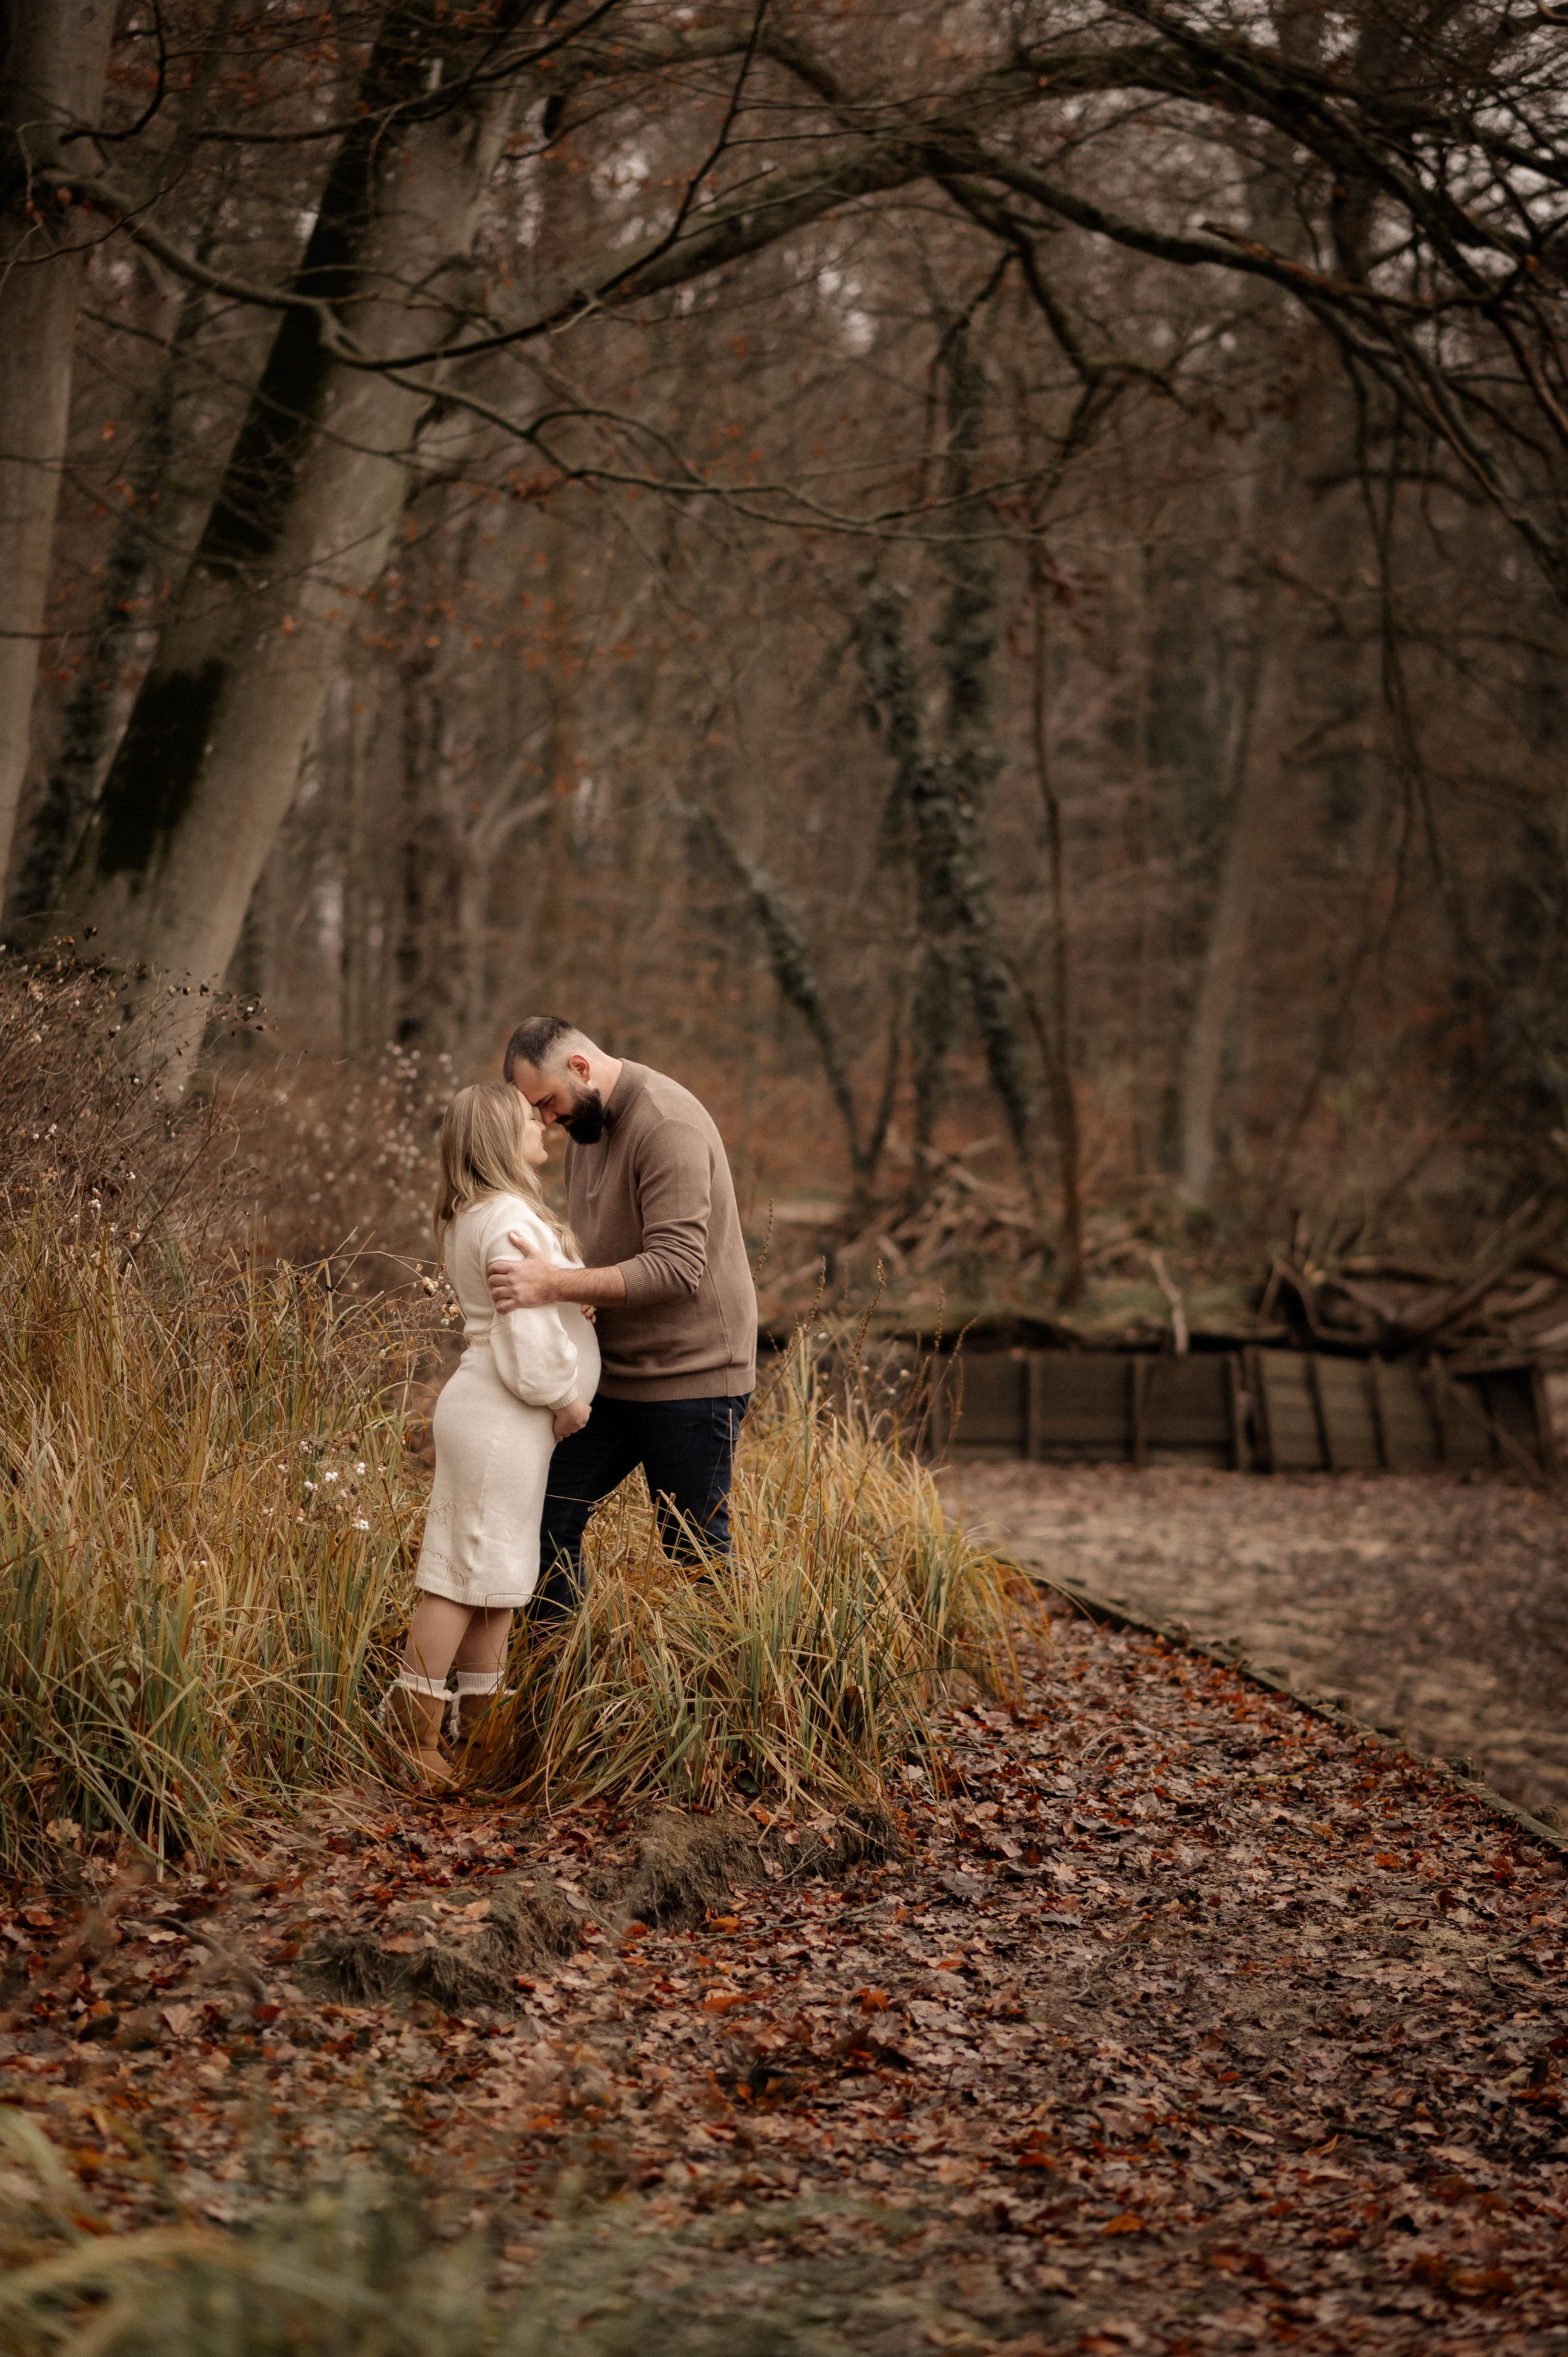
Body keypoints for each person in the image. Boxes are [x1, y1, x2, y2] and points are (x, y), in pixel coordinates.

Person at [488, 1017, 756, 1619]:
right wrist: (582, 1280)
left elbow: (677, 1266)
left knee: (697, 1557)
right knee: (544, 1518)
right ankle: (559, 1688)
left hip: (693, 1379)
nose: (547, 1120)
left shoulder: (667, 1122)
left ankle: (732, 1698)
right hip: (610, 1377)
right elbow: (603, 1244)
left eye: (547, 1102)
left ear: (580, 1068)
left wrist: (554, 1283)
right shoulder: (590, 1127)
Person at [382, 1080, 599, 1792]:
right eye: (528, 1118)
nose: (546, 1123)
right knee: (460, 1572)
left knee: (499, 1578)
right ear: (500, 1138)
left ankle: (480, 1733)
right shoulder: (506, 1216)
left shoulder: (482, 1212)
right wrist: (564, 1396)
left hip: (501, 1413)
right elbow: (523, 1328)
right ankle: (410, 1738)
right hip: (506, 1410)